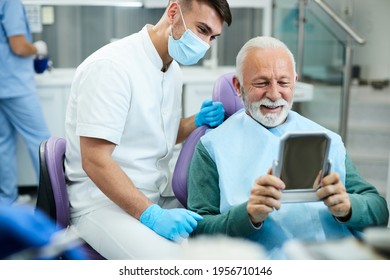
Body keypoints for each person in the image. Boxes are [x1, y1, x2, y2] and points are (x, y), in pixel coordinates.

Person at [187, 36, 389, 259]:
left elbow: (379, 210)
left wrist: (349, 207)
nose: (274, 95)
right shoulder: (212, 147)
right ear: (238, 85)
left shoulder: (326, 139)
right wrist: (247, 215)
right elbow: (198, 231)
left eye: (283, 83)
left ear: (295, 81)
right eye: (262, 83)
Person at [64, 0, 232, 259]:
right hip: (101, 204)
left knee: (220, 243)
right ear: (174, 12)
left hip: (151, 195)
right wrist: (152, 215)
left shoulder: (172, 70)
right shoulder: (112, 66)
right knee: (174, 266)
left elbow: (157, 134)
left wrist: (196, 120)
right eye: (201, 29)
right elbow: (95, 160)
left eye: (213, 37)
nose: (206, 45)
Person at [0, 0, 50, 204]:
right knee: (42, 142)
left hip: (3, 83)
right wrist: (36, 48)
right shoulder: (10, 2)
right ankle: (52, 201)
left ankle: (6, 201)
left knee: (3, 143)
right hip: (14, 84)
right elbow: (19, 46)